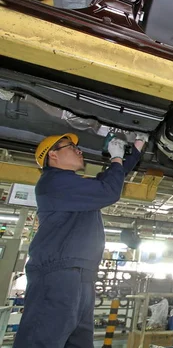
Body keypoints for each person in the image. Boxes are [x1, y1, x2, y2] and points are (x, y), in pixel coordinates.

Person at [14, 132, 147, 347]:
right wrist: (115, 157)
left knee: (78, 342)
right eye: (70, 146)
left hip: (81, 276)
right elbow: (109, 191)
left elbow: (113, 177)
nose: (79, 150)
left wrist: (138, 147)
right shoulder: (53, 182)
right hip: (57, 275)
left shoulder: (74, 187)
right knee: (40, 341)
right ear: (53, 156)